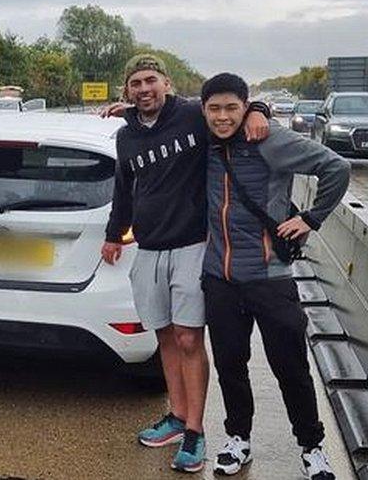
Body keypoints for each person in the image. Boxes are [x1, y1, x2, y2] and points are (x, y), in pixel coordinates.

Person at [101, 54, 269, 473]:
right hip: (148, 248)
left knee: (190, 339)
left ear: (167, 83)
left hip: (193, 245)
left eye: (150, 80)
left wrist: (259, 111)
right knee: (164, 336)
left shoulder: (194, 116)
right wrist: (112, 233)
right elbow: (124, 187)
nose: (144, 89)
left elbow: (229, 106)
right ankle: (176, 416)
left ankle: (195, 431)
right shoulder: (127, 136)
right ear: (127, 90)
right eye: (135, 83)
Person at [199, 73, 349, 480]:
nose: (223, 116)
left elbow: (335, 168)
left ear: (246, 106)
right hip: (219, 277)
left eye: (233, 107)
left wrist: (310, 219)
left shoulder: (268, 140)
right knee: (230, 363)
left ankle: (312, 446)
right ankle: (238, 439)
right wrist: (125, 107)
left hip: (270, 277)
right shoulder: (204, 140)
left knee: (291, 367)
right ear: (204, 110)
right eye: (214, 108)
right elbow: (161, 112)